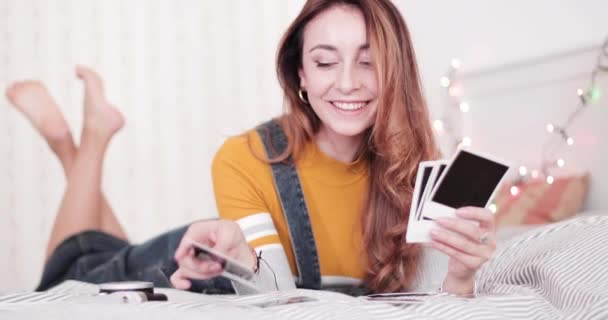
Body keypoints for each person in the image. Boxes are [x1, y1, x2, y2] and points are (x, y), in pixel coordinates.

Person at [6, 0, 496, 296]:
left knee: (104, 245)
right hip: (175, 265)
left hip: (202, 259)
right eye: (326, 62)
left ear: (395, 70)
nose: (347, 83)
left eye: (368, 62)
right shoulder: (249, 157)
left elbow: (434, 298)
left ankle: (74, 146)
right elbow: (276, 300)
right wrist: (242, 252)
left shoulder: (421, 171)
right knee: (63, 276)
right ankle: (81, 142)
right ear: (300, 74)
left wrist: (462, 276)